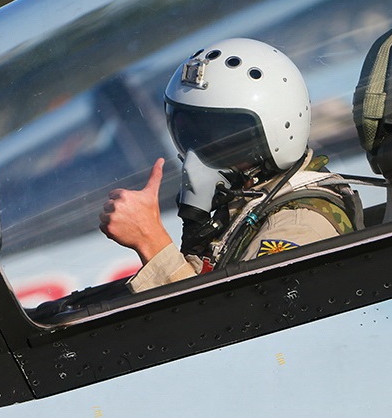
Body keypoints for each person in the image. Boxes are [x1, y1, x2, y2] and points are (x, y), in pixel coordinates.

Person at [100, 38, 360, 293]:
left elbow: (234, 315)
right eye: (189, 135)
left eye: (218, 140)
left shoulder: (298, 226)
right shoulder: (248, 201)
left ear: (274, 134)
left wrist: (151, 240)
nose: (195, 159)